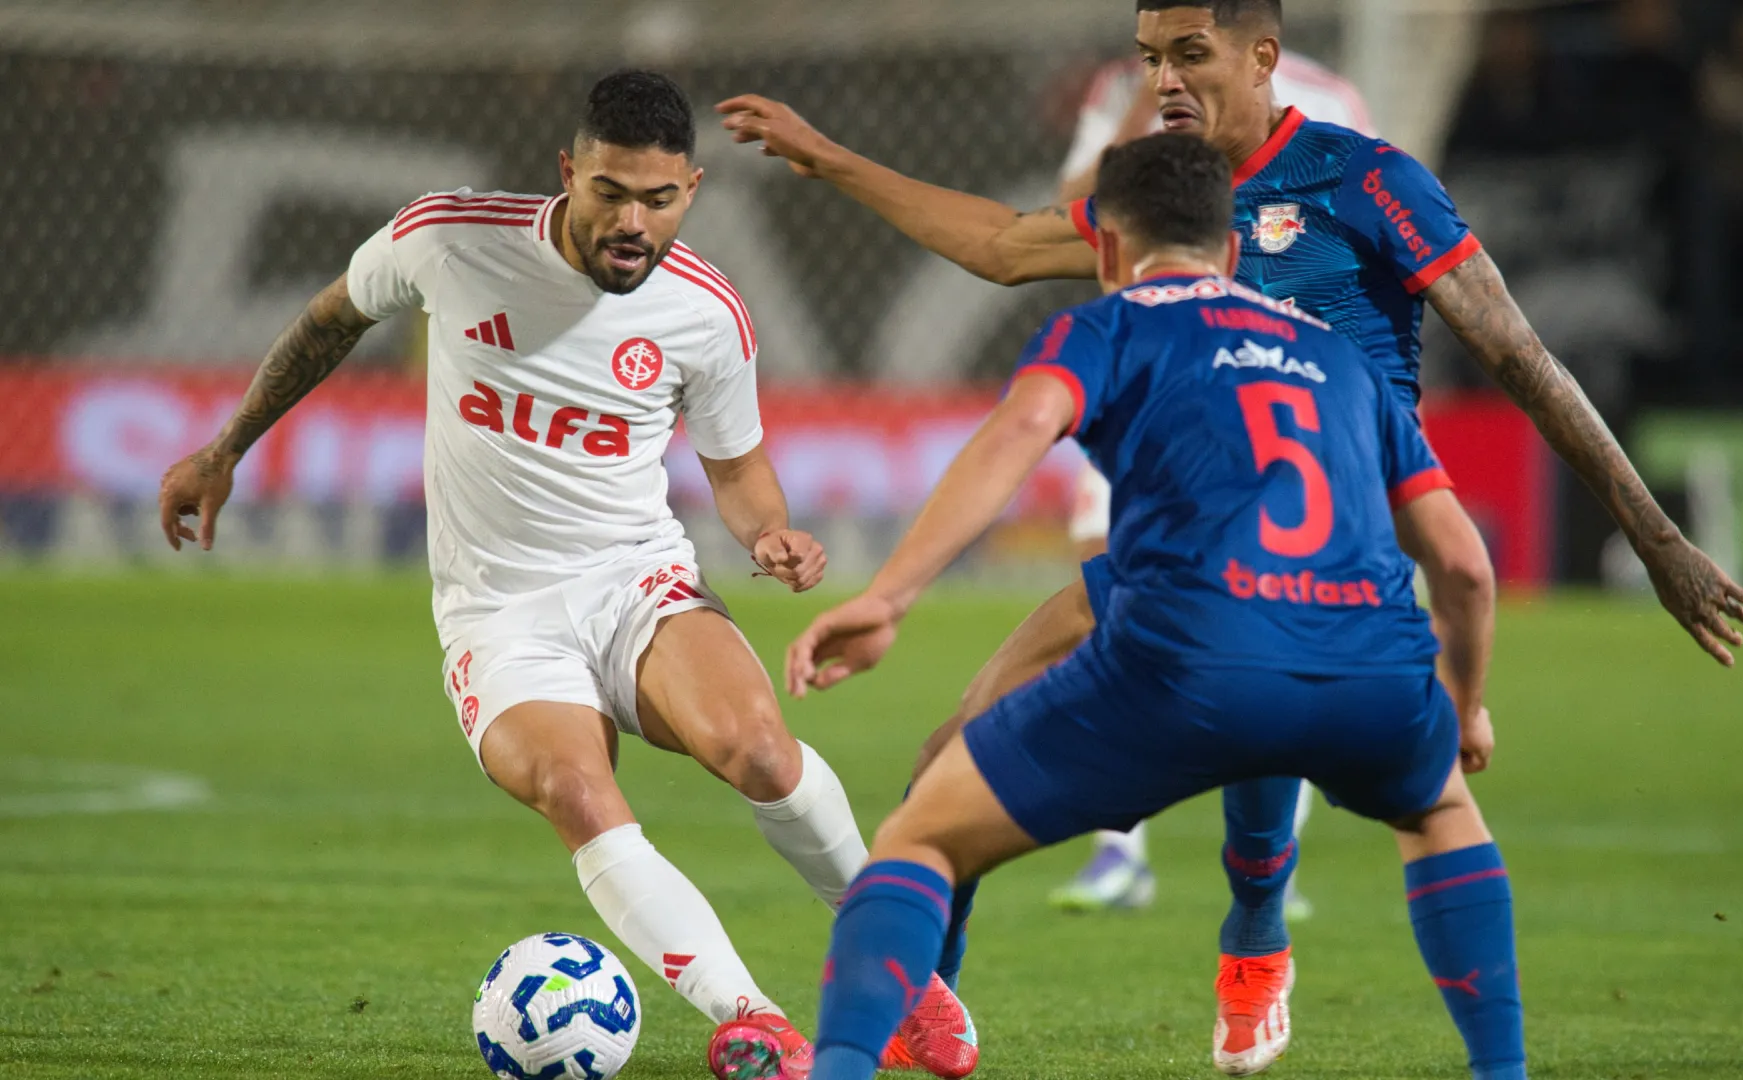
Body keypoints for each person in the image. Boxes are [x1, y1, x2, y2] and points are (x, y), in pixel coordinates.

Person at [720, 1, 1743, 1068]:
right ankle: (924, 1018)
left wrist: (1656, 537)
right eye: (1148, 58)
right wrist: (831, 157)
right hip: (1162, 559)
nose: (1164, 80)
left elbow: (1524, 360)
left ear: (1263, 56)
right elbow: (996, 242)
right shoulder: (1163, 200)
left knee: (1250, 727)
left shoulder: (1366, 182)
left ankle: (1255, 939)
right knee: (947, 754)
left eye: (1188, 55)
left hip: (1336, 547)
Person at [156, 70, 882, 1080]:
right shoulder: (449, 239)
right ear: (567, 173)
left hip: (636, 581)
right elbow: (330, 319)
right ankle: (750, 1019)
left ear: (693, 191)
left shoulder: (704, 313)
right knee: (576, 791)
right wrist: (226, 447)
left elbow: (737, 468)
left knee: (759, 750)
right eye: (611, 192)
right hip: (499, 612)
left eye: (659, 199)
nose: (634, 221)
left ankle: (903, 973)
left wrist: (769, 535)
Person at [785, 131, 1530, 1080]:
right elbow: (1464, 567)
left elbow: (1018, 431)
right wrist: (1461, 707)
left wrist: (890, 595)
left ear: (1104, 251)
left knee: (922, 831)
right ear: (1230, 252)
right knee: (1443, 815)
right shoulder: (1342, 363)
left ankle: (854, 1056)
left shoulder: (1110, 325)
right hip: (1369, 655)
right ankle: (1501, 1071)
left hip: (1192, 649)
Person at [1049, 39, 1373, 919]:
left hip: (1276, 388)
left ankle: (1274, 862)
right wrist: (1127, 122)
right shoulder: (1125, 86)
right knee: (1103, 584)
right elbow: (1074, 207)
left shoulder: (1331, 98)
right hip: (1156, 374)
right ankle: (1117, 848)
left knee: (1282, 602)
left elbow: (1364, 234)